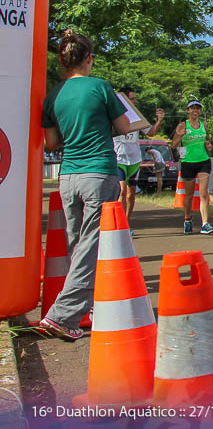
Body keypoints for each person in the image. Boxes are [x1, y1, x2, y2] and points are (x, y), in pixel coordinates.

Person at [38, 30, 132, 340]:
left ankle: (86, 307)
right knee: (91, 245)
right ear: (89, 59)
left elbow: (51, 142)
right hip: (98, 172)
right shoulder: (100, 88)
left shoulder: (53, 95)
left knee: (77, 244)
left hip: (69, 175)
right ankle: (62, 316)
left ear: (63, 61)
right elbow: (124, 126)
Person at [112, 86, 164, 229]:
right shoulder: (113, 115)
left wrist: (159, 121)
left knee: (131, 194)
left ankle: (127, 223)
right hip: (119, 159)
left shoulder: (137, 116)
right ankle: (120, 224)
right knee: (122, 191)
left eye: (134, 98)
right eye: (132, 98)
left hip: (134, 160)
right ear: (124, 100)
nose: (135, 101)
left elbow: (151, 132)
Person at [171, 99, 213, 235]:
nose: (195, 111)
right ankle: (187, 219)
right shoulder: (183, 125)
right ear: (188, 110)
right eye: (193, 108)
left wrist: (208, 146)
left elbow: (204, 141)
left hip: (203, 161)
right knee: (189, 195)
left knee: (203, 193)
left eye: (198, 108)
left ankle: (205, 223)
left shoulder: (204, 124)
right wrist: (180, 135)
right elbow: (173, 145)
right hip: (188, 162)